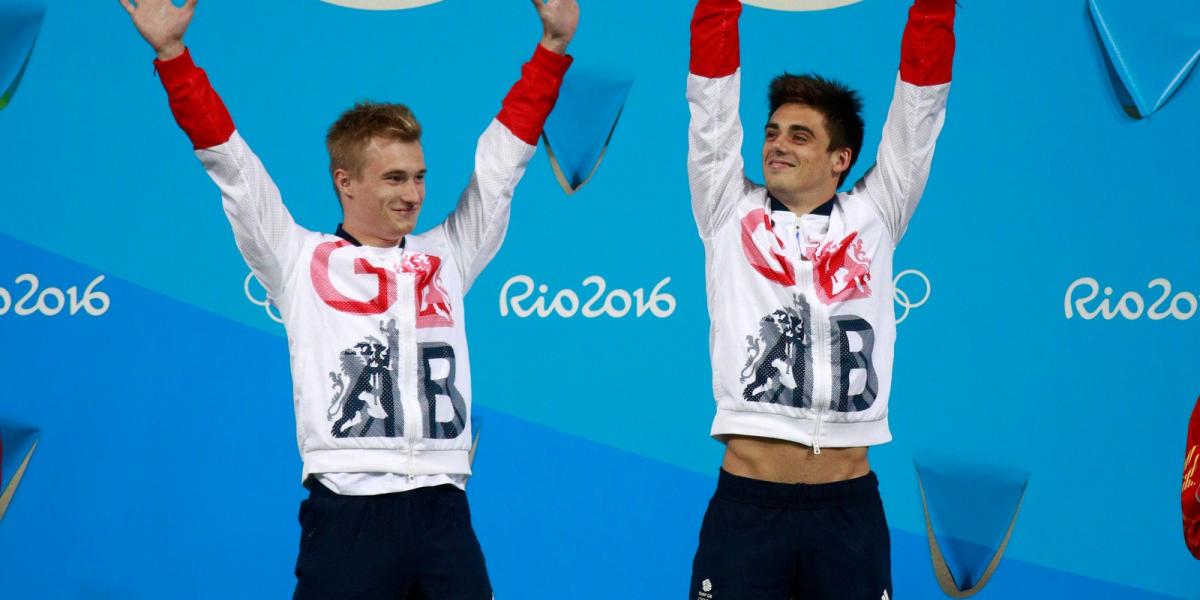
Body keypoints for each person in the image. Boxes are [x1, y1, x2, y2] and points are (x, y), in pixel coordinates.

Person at [119, 0, 578, 597]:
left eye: (418, 176)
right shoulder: (297, 257)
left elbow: (503, 163)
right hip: (348, 517)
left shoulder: (448, 253)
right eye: (394, 178)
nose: (413, 193)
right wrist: (174, 57)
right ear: (346, 182)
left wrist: (552, 46)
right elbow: (231, 164)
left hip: (444, 516)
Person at [685, 0, 957, 597]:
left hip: (848, 514)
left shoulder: (877, 213)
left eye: (800, 136)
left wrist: (935, 9)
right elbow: (711, 101)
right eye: (772, 132)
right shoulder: (727, 210)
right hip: (747, 510)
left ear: (841, 160)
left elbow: (921, 105)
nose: (777, 144)